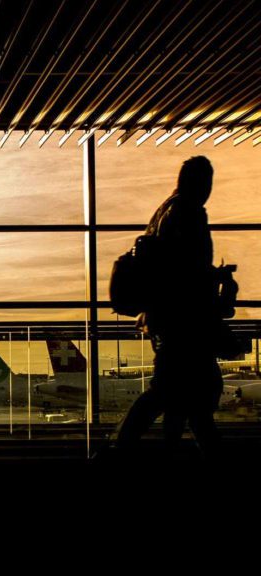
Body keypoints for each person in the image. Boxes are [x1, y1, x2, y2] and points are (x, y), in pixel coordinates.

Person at [114, 156, 228, 459]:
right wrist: (213, 278)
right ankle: (122, 449)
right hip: (184, 321)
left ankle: (133, 450)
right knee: (181, 395)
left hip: (165, 319)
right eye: (207, 181)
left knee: (178, 395)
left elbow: (168, 269)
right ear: (201, 182)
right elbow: (186, 271)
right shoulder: (189, 212)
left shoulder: (164, 212)